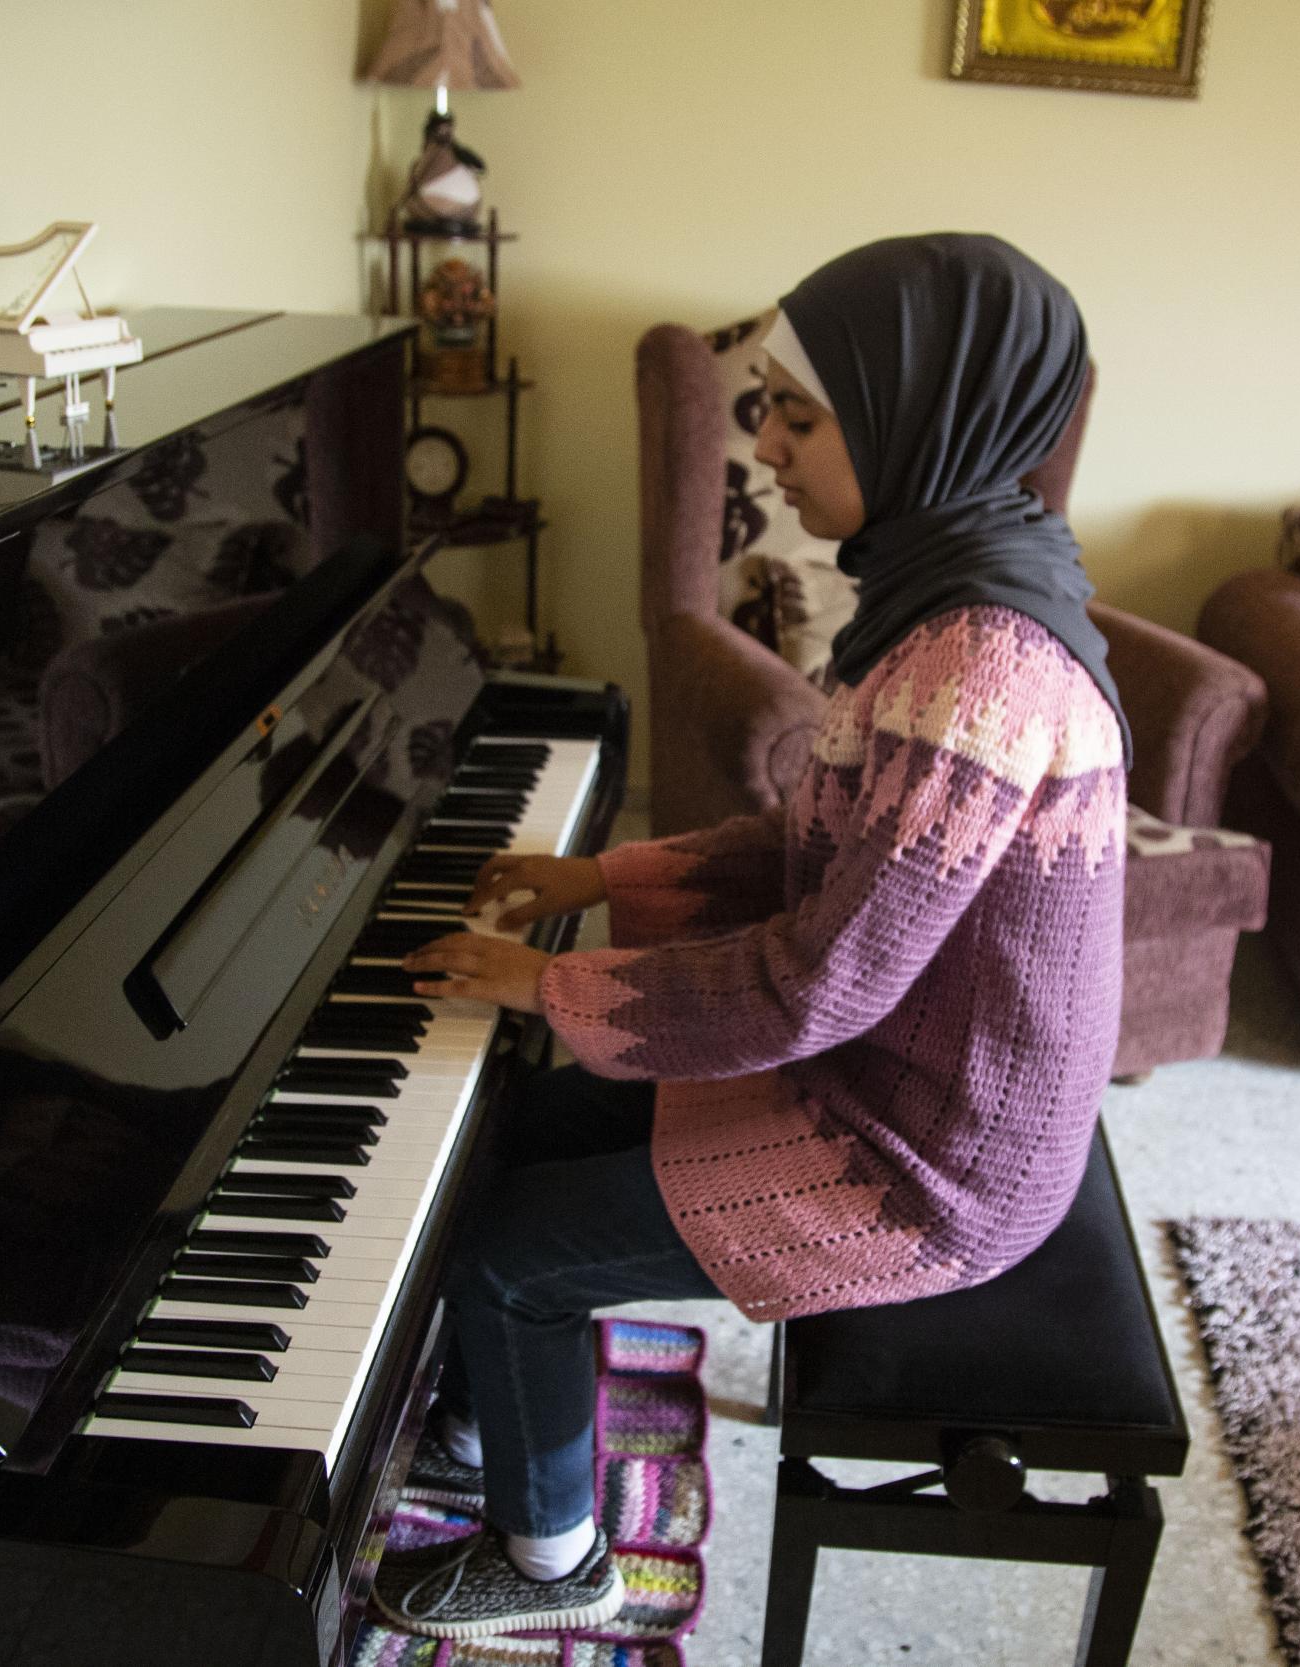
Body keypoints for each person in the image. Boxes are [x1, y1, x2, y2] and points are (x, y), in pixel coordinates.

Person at [373, 233, 1134, 1639]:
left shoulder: (981, 674)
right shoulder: (942, 592)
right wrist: (591, 874)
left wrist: (548, 979)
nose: (764, 443)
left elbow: (815, 985)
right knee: (526, 1129)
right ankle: (491, 1433)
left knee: (500, 1251)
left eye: (799, 412)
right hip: (894, 1074)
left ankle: (553, 1563)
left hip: (927, 1160)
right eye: (765, 404)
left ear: (921, 415)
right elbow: (812, 854)